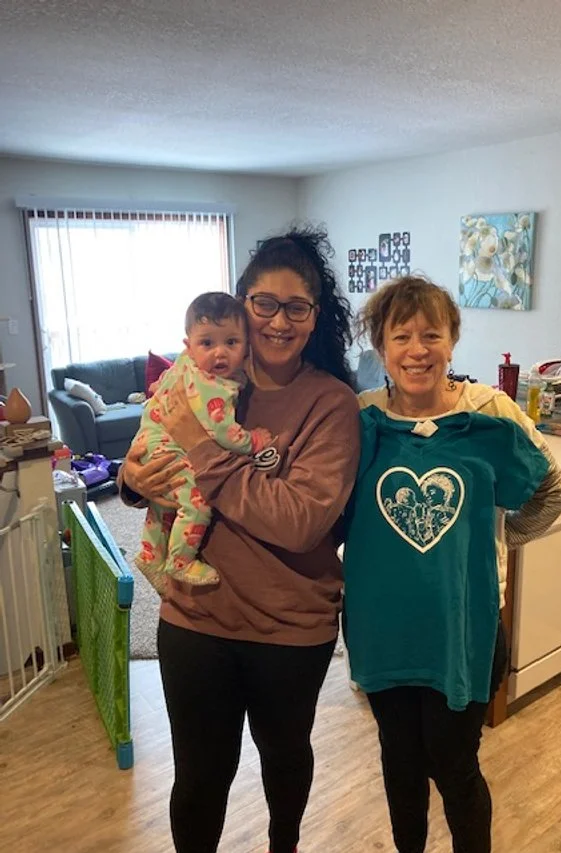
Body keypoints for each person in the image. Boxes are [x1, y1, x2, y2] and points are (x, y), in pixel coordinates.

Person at [119, 228, 360, 853]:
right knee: (199, 779)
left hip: (290, 625)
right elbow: (150, 442)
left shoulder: (331, 404)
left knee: (284, 764)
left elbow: (301, 520)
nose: (278, 321)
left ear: (314, 318)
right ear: (240, 306)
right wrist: (130, 477)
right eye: (263, 304)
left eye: (296, 307)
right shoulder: (200, 374)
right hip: (196, 618)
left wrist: (204, 455)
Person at [343, 275, 561, 853]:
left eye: (431, 335)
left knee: (454, 764)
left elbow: (549, 493)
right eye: (401, 337)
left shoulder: (488, 417)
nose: (417, 350)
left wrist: (485, 552)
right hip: (383, 631)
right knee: (399, 761)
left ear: (452, 340)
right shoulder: (359, 424)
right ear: (381, 349)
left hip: (464, 628)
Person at [133, 291, 273, 593]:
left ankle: (149, 554)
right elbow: (223, 433)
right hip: (167, 446)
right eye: (207, 343)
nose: (219, 353)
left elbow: (164, 383)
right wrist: (255, 440)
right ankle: (180, 561)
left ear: (246, 346)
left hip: (149, 439)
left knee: (164, 501)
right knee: (195, 502)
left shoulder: (185, 363)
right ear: (189, 345)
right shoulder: (213, 386)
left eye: (231, 343)